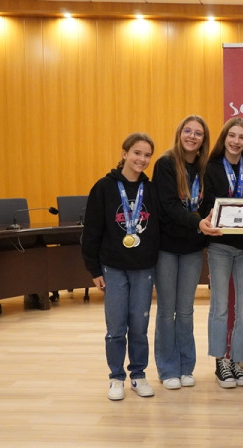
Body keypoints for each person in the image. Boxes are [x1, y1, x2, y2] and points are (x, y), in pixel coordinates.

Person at [82, 132, 160, 401]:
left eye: (147, 155)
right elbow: (91, 232)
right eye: (137, 153)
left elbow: (159, 229)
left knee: (139, 326)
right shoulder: (103, 187)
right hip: (113, 268)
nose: (142, 159)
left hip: (143, 269)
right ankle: (116, 377)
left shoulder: (150, 190)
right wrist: (94, 270)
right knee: (116, 327)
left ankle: (138, 375)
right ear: (125, 153)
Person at [152, 115, 220, 391]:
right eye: (188, 131)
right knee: (167, 311)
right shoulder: (166, 164)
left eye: (199, 133)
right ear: (180, 133)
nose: (192, 136)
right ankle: (168, 368)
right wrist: (199, 223)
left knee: (186, 310)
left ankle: (186, 366)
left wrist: (210, 219)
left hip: (193, 247)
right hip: (167, 248)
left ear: (204, 140)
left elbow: (210, 205)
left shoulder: (206, 168)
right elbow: (167, 206)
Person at [199, 117, 243, 389]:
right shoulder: (211, 167)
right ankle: (220, 361)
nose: (236, 141)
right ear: (224, 138)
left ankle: (237, 361)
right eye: (232, 136)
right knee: (220, 308)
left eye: (242, 137)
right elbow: (205, 207)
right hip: (220, 245)